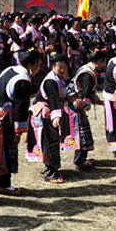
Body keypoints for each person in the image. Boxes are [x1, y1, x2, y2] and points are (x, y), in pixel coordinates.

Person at [0, 50, 41, 194]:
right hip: (2, 118)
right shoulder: (23, 80)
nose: (40, 67)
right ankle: (2, 185)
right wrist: (19, 131)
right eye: (39, 64)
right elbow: (21, 108)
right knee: (5, 151)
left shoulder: (10, 69)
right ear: (32, 64)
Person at [31, 54, 71, 183]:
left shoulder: (59, 78)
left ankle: (51, 168)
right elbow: (53, 99)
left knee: (52, 141)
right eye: (60, 67)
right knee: (49, 142)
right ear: (54, 66)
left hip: (50, 113)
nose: (63, 69)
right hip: (45, 115)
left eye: (65, 67)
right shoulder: (50, 81)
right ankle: (51, 170)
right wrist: (56, 116)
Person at [68, 49, 109, 167]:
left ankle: (81, 159)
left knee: (82, 133)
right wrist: (87, 103)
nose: (104, 65)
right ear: (98, 62)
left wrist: (98, 101)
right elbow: (84, 94)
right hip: (76, 105)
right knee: (82, 134)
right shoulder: (87, 74)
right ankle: (80, 161)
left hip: (76, 103)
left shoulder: (87, 69)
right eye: (103, 62)